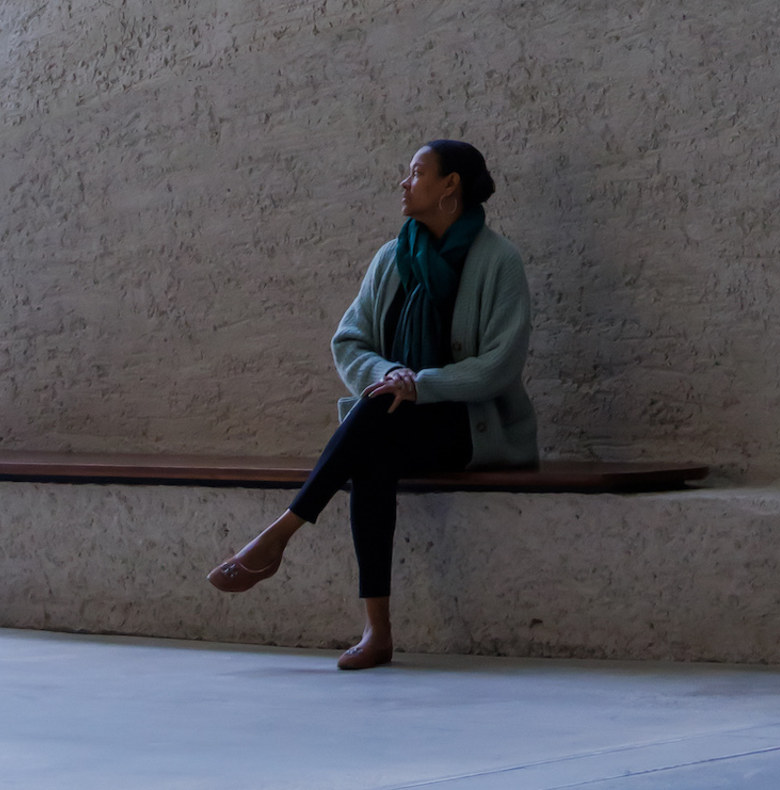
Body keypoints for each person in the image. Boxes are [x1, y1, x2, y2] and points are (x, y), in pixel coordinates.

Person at [206, 139, 536, 669]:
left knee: (374, 423)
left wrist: (420, 384)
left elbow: (500, 364)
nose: (404, 184)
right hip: (393, 419)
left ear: (450, 185)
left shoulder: (499, 261)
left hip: (467, 427)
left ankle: (282, 534)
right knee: (374, 443)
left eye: (416, 173)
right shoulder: (392, 258)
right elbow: (350, 342)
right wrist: (391, 374)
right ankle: (375, 632)